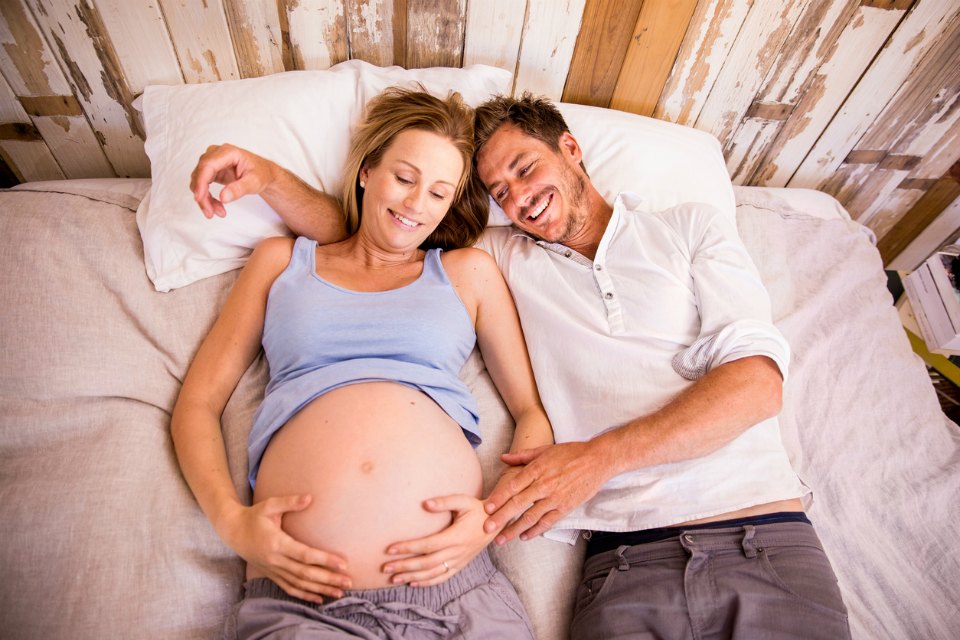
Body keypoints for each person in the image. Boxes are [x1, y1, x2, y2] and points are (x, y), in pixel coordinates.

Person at [191, 93, 852, 639]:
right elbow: (371, 233)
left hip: (746, 537)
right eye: (499, 191)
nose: (519, 198)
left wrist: (541, 490)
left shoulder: (670, 231)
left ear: (571, 148)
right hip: (612, 562)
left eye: (525, 170)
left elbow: (754, 383)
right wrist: (270, 179)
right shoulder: (495, 254)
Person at [173, 87, 552, 639]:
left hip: (458, 598)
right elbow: (198, 403)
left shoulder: (468, 273)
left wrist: (490, 521)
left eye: (439, 192)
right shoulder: (281, 262)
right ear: (367, 172)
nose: (417, 204)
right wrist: (231, 523)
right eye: (404, 178)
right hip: (306, 606)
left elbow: (532, 414)